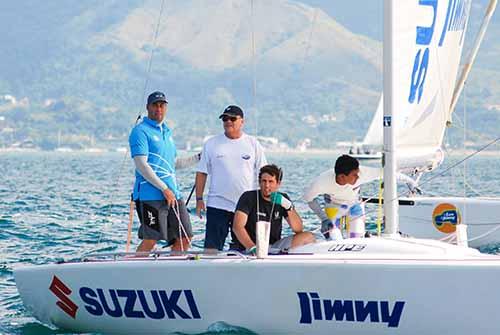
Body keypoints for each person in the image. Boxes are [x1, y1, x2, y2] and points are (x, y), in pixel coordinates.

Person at [129, 91, 195, 253]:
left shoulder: (167, 132)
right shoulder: (140, 131)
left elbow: (173, 164)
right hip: (150, 195)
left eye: (162, 105)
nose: (159, 108)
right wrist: (163, 189)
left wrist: (201, 157)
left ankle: (172, 273)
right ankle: (131, 273)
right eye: (155, 105)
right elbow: (142, 165)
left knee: (185, 237)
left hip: (173, 195)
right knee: (151, 240)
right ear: (147, 107)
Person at [195, 105, 267, 252]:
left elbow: (264, 172)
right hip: (217, 205)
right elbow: (202, 172)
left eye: (233, 118)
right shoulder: (211, 144)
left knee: (245, 251)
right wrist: (199, 199)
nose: (228, 121)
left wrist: (266, 198)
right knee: (211, 250)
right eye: (225, 119)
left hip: (245, 207)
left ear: (242, 121)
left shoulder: (253, 144)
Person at [232, 164, 315, 254]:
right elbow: (237, 227)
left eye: (271, 181)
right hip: (249, 247)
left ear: (278, 183)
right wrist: (252, 247)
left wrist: (288, 206)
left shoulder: (283, 199)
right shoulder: (248, 197)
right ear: (259, 182)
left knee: (308, 237)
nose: (267, 185)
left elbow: (298, 229)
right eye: (264, 181)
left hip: (274, 247)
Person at [303, 154, 369, 240]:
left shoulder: (366, 172)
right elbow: (308, 197)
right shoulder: (321, 181)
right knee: (333, 238)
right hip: (334, 206)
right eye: (354, 175)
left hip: (355, 206)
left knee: (356, 238)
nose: (358, 177)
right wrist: (324, 219)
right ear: (341, 176)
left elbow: (386, 171)